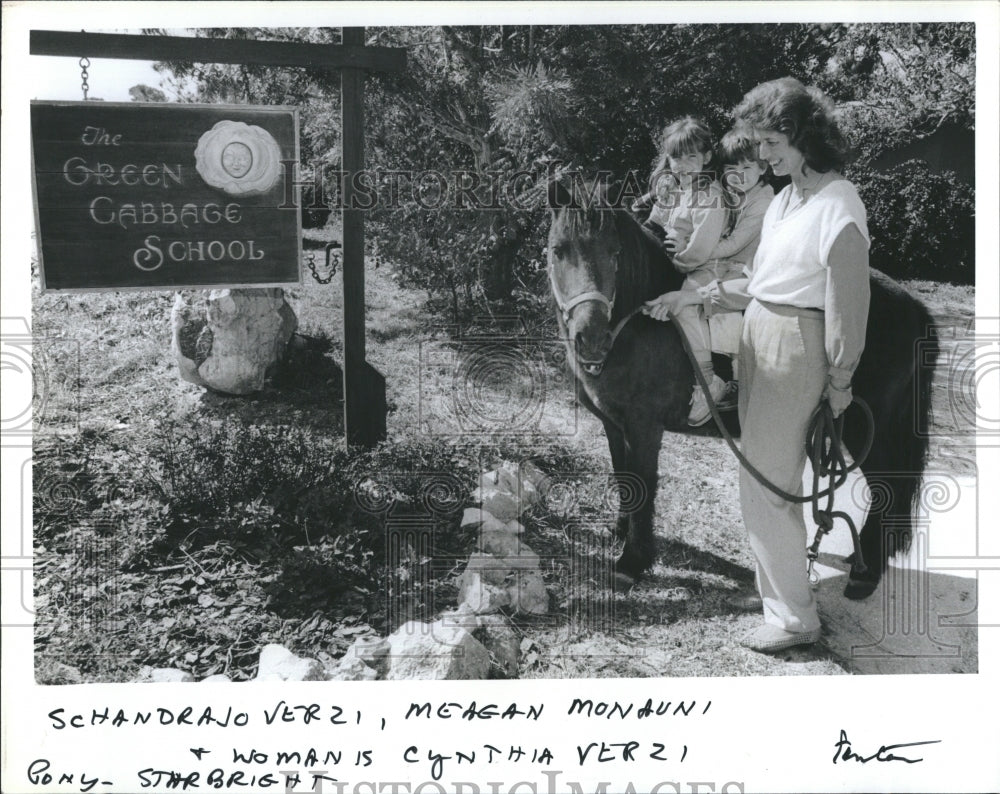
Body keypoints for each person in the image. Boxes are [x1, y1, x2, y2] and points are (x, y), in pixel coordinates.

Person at [725, 77, 871, 653]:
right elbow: (764, 282)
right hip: (759, 331)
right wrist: (697, 298)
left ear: (804, 134)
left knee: (769, 479)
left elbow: (845, 305)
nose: (762, 155)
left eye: (770, 142)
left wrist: (840, 380)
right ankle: (778, 589)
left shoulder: (840, 203)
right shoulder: (787, 199)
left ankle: (796, 620)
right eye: (758, 143)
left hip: (796, 343)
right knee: (757, 474)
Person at [644, 129, 775, 425]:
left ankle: (714, 381)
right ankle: (697, 376)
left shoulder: (764, 201)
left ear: (763, 167)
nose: (739, 175)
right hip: (719, 264)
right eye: (732, 169)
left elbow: (733, 244)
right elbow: (687, 221)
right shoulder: (723, 191)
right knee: (678, 295)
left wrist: (692, 252)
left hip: (744, 269)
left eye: (747, 167)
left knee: (689, 301)